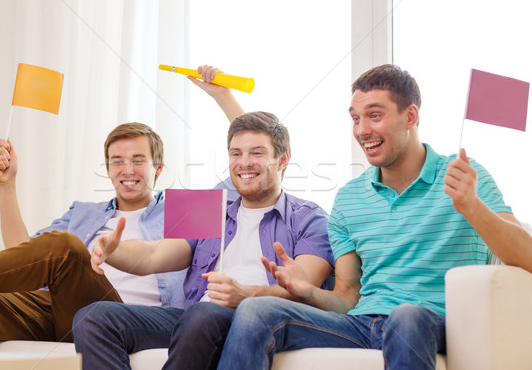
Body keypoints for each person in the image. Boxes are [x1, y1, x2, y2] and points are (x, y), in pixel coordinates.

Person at [216, 64, 532, 370]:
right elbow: (348, 297)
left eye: (375, 116)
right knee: (256, 310)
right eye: (355, 118)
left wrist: (472, 207)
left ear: (410, 116)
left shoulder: (465, 176)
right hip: (362, 324)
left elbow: (527, 256)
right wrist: (308, 292)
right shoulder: (350, 198)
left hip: (431, 321)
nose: (362, 130)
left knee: (406, 316)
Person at [0, 66, 242, 350]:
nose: (127, 170)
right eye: (117, 162)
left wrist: (223, 97)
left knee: (66, 248)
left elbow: (246, 169)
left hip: (125, 320)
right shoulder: (85, 213)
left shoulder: (183, 209)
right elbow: (21, 256)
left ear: (158, 168)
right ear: (107, 170)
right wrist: (5, 186)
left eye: (138, 160)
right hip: (57, 311)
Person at [72, 111, 335, 370]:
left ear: (283, 160)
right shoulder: (210, 208)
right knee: (93, 317)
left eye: (257, 153)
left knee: (202, 314)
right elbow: (153, 255)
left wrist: (244, 296)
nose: (244, 163)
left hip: (254, 321)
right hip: (194, 319)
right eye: (236, 153)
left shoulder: (309, 217)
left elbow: (304, 291)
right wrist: (113, 250)